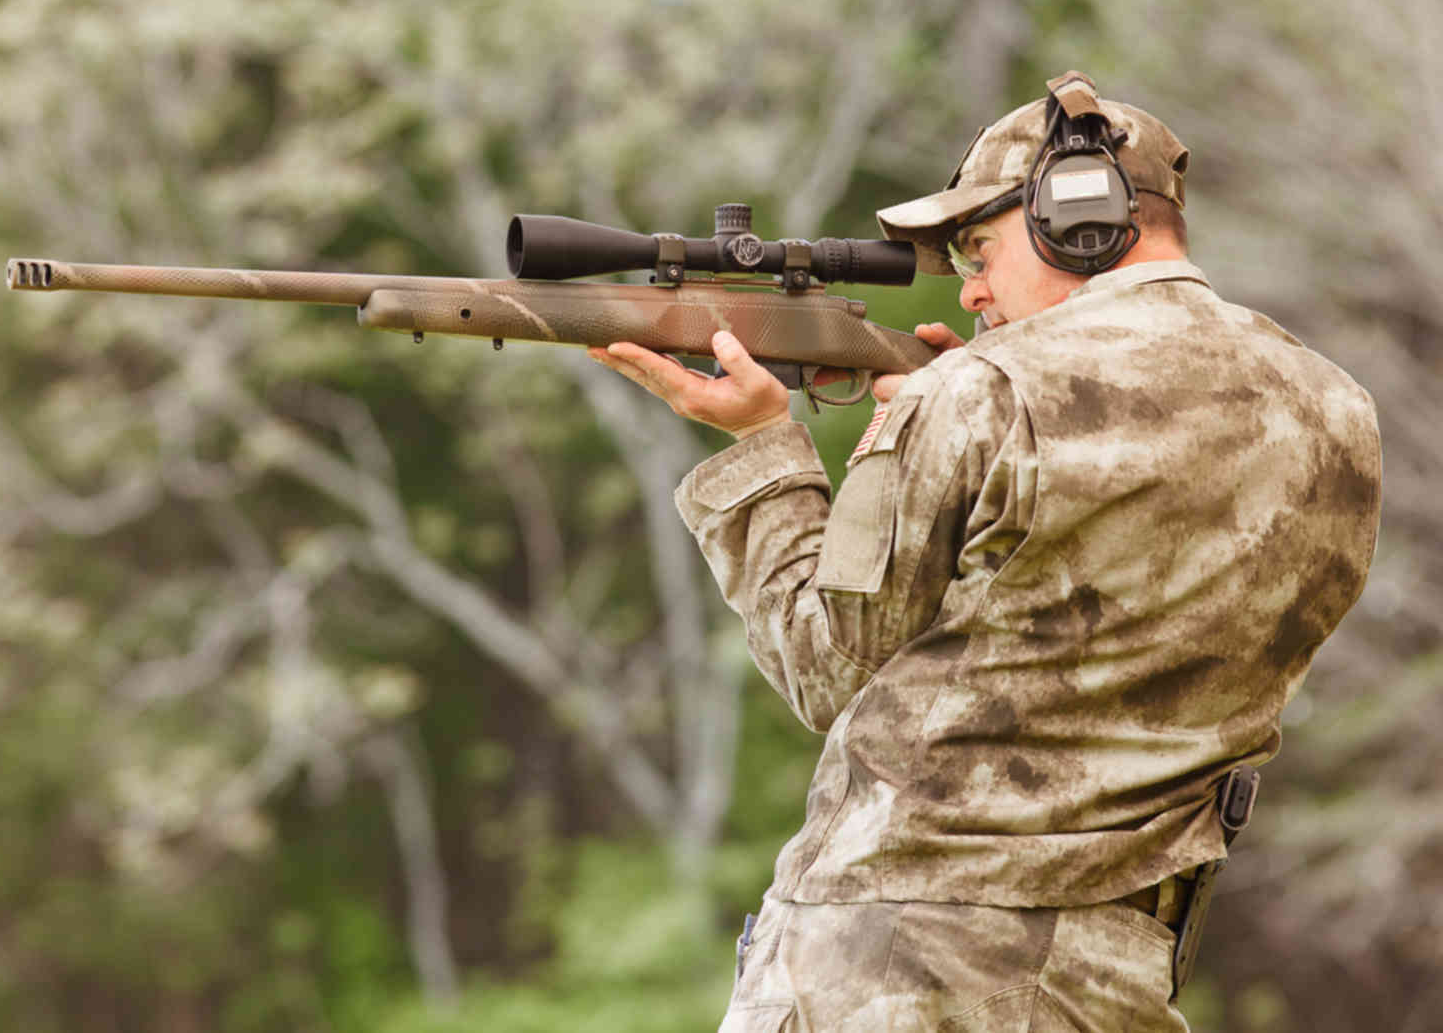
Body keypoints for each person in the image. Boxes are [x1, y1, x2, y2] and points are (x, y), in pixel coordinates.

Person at [588, 72, 1381, 1031]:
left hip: (891, 971)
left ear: (1075, 219)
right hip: (1113, 973)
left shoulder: (974, 392)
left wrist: (763, 446)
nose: (967, 288)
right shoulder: (1336, 407)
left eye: (979, 248)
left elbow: (825, 666)